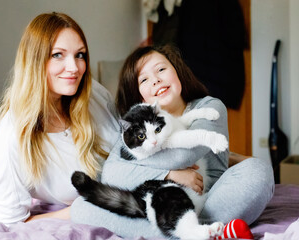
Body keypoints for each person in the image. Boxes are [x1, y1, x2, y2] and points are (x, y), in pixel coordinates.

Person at [70, 45, 275, 238]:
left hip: (211, 200)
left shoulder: (209, 107)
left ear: (177, 71)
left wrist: (132, 166)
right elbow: (111, 174)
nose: (156, 80)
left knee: (258, 169)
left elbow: (183, 155)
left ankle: (188, 231)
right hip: (162, 207)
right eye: (144, 80)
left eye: (161, 69)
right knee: (81, 208)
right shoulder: (136, 128)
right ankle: (200, 233)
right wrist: (168, 174)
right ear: (139, 95)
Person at [0, 12, 120, 225]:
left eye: (80, 55)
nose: (74, 68)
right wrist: (82, 210)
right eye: (58, 55)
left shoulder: (96, 94)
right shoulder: (12, 134)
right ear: (34, 60)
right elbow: (9, 224)